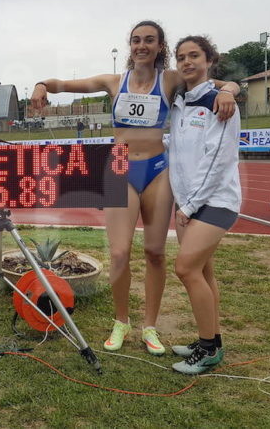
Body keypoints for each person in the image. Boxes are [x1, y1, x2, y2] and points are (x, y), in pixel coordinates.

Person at [30, 20, 239, 356]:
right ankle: (121, 321)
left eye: (149, 40)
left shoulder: (169, 79)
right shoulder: (113, 82)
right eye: (136, 40)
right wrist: (42, 85)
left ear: (160, 47)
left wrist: (229, 90)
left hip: (156, 173)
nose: (142, 45)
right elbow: (64, 84)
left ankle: (150, 326)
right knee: (118, 253)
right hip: (120, 170)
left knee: (155, 253)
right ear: (130, 45)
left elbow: (217, 83)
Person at [167, 35, 241, 374]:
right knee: (202, 271)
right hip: (189, 202)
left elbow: (218, 160)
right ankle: (211, 340)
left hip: (215, 201)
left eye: (194, 55)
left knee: (185, 269)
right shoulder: (180, 102)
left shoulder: (219, 102)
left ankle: (208, 350)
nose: (187, 62)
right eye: (181, 57)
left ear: (209, 60)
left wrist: (189, 205)